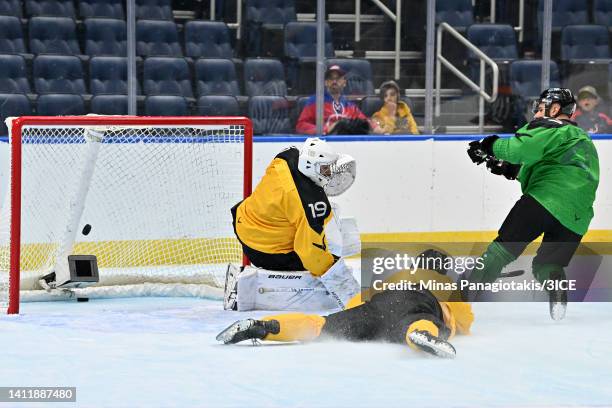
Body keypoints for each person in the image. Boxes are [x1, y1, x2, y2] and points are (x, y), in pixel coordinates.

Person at [466, 87, 600, 320]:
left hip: (545, 199)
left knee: (502, 250)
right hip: (577, 217)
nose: (537, 114)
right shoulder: (582, 140)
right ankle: (557, 294)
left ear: (555, 108)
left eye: (540, 109)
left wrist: (488, 145)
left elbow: (519, 149)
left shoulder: (551, 126)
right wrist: (507, 168)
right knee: (547, 265)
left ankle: (462, 297)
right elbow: (548, 166)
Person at [216, 266, 474, 359]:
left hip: (374, 307)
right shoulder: (446, 292)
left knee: (321, 326)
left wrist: (361, 313)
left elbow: (353, 303)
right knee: (421, 323)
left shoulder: (391, 280)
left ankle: (265, 327)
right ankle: (420, 335)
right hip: (411, 306)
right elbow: (460, 321)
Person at [226, 137, 360, 311]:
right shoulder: (309, 202)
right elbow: (311, 254)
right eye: (325, 169)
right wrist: (339, 277)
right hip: (264, 251)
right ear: (310, 166)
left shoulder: (286, 156)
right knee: (333, 242)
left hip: (244, 222)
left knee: (327, 216)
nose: (328, 175)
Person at [295, 65, 370, 135]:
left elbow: (366, 123)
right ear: (326, 82)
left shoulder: (350, 106)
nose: (334, 81)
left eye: (338, 78)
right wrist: (325, 129)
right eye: (331, 78)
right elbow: (301, 125)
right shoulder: (315, 102)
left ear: (344, 82)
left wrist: (374, 126)